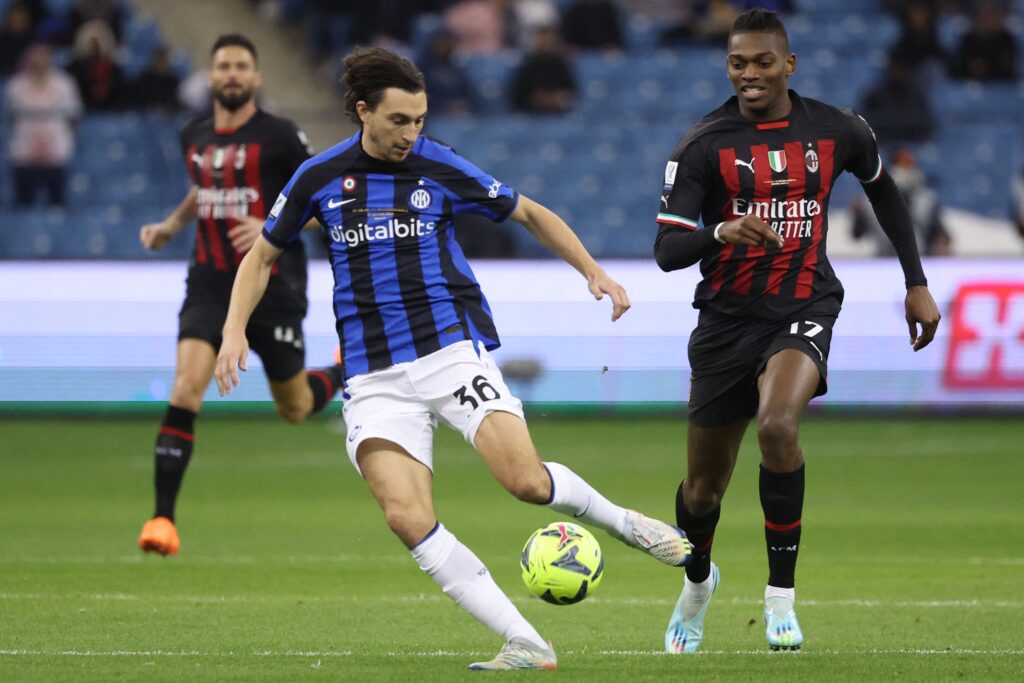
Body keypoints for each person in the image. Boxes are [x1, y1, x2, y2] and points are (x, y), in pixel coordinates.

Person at [213, 46, 692, 671]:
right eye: (399, 121)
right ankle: (528, 643)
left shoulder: (438, 164)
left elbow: (528, 213)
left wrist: (592, 271)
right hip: (373, 375)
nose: (412, 133)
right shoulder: (318, 178)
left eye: (419, 119)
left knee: (526, 482)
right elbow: (261, 257)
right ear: (363, 112)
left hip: (448, 351)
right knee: (406, 517)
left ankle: (626, 524)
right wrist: (232, 332)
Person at [653, 9, 940, 653]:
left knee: (779, 425)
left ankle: (780, 596)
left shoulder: (837, 129)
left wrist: (915, 281)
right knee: (702, 491)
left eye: (761, 62)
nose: (749, 74)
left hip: (804, 303)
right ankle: (697, 581)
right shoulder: (703, 144)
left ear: (789, 65)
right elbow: (667, 252)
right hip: (725, 322)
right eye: (737, 63)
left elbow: (884, 192)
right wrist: (720, 230)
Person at [136, 34, 344, 557]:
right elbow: (202, 186)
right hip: (208, 280)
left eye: (241, 67)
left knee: (294, 407)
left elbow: (327, 201)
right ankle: (162, 519)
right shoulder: (194, 134)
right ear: (211, 76)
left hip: (275, 285)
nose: (231, 74)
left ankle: (341, 367)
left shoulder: (279, 138)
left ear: (255, 78)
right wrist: (170, 225)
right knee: (186, 388)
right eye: (223, 66)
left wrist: (275, 228)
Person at [4, 43, 82, 207]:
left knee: (56, 197)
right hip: (24, 144)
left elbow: (74, 114)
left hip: (55, 141)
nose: (39, 65)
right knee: (24, 198)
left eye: (43, 60)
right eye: (35, 61)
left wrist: (67, 137)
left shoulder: (64, 83)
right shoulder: (16, 84)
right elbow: (10, 115)